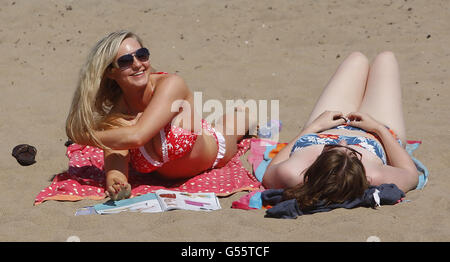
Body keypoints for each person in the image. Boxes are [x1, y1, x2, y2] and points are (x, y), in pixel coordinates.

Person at [66, 30, 254, 200]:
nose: (138, 64)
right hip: (181, 147)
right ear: (111, 72)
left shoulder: (171, 84)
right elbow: (117, 153)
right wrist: (116, 180)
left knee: (232, 125)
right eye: (125, 61)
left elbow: (137, 136)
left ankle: (244, 112)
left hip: (215, 152)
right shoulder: (118, 114)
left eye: (142, 55)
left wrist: (83, 137)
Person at [262, 51, 419, 211]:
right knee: (386, 58)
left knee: (357, 59)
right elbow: (411, 175)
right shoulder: (373, 175)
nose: (342, 141)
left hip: (326, 123)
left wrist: (313, 128)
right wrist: (378, 128)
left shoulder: (291, 173)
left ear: (314, 166)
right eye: (353, 152)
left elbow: (269, 173)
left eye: (329, 148)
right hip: (376, 128)